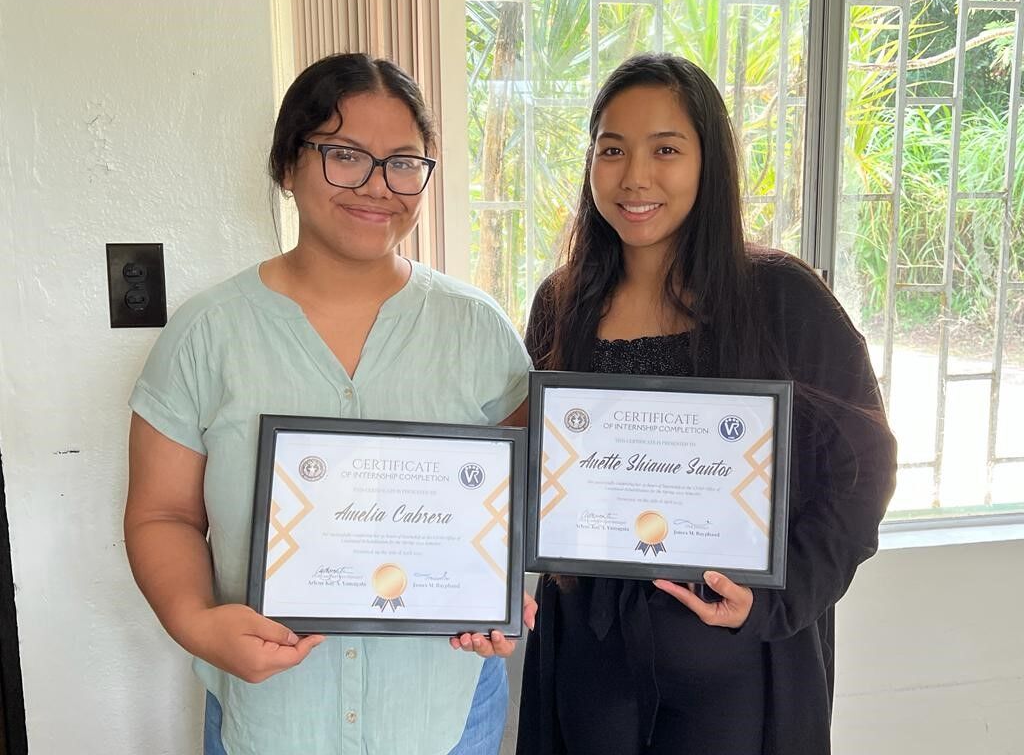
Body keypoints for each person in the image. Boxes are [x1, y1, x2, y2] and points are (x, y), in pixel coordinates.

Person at [124, 53, 533, 755]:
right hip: (271, 719)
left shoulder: (477, 330)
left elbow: (513, 505)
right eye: (344, 155)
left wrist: (497, 592)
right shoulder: (207, 333)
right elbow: (164, 514)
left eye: (402, 163)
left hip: (442, 716)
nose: (377, 185)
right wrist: (196, 622)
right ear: (288, 164)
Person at [516, 53, 898, 755]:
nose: (635, 177)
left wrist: (776, 599)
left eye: (666, 149)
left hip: (742, 671)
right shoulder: (562, 302)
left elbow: (862, 471)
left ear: (708, 162)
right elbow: (539, 468)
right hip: (591, 663)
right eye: (612, 150)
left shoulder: (781, 297)